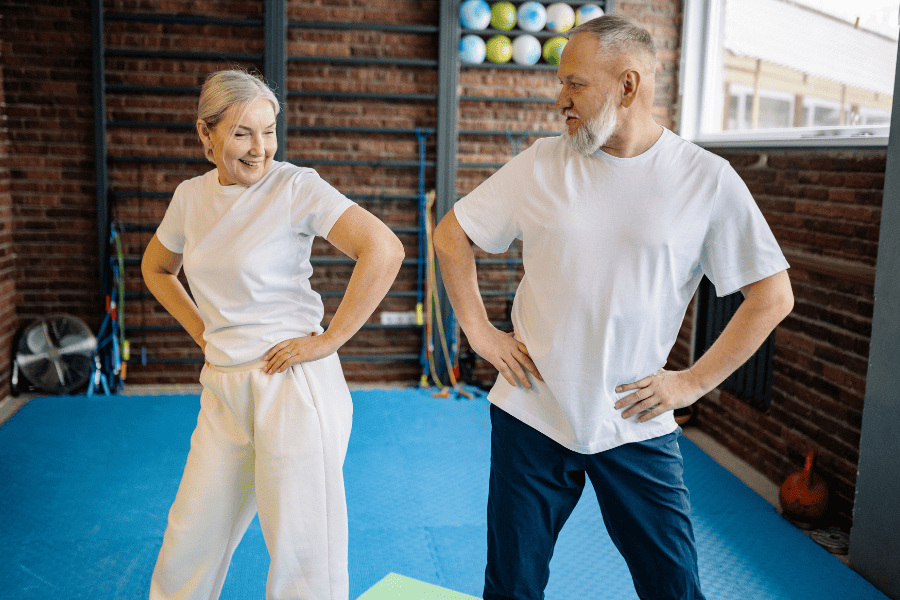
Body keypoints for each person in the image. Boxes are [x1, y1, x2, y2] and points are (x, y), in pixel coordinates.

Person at [433, 15, 793, 600]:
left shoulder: (706, 179)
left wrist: (690, 384)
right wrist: (479, 332)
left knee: (673, 588)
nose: (560, 100)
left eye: (574, 84)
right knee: (511, 589)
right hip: (534, 410)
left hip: (635, 420)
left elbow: (772, 295)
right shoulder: (543, 162)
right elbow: (453, 235)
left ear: (627, 86)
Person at [141, 69, 404, 600]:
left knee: (304, 558)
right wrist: (202, 331)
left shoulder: (295, 185)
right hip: (223, 388)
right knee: (189, 538)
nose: (260, 148)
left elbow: (384, 248)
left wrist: (328, 340)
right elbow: (156, 268)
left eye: (269, 130)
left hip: (292, 387)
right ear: (206, 135)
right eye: (242, 133)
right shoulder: (190, 197)